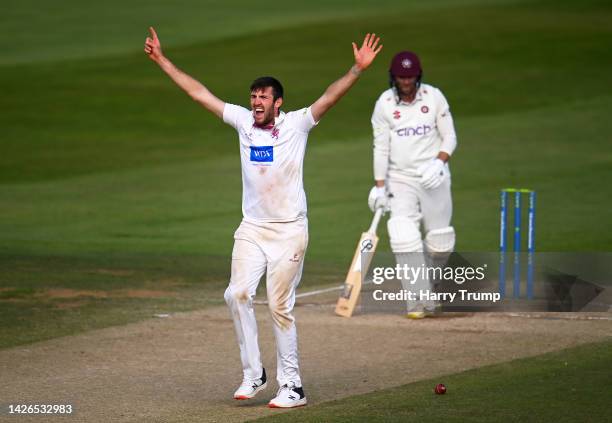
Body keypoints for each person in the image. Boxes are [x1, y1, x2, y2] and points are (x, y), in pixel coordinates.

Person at [144, 28, 382, 408]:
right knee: (236, 293)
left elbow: (329, 97)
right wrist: (161, 61)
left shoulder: (297, 125)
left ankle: (293, 386)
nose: (256, 101)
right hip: (252, 228)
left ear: (278, 103)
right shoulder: (242, 122)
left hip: (289, 231)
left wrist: (356, 70)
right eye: (253, 96)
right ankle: (254, 374)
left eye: (263, 97)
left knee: (278, 305)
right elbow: (197, 93)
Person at [367, 51, 457, 319]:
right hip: (400, 178)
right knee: (403, 235)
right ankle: (417, 299)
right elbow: (380, 148)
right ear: (393, 77)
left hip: (434, 175)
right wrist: (380, 186)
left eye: (409, 76)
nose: (405, 81)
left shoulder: (434, 96)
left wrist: (439, 163)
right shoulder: (384, 104)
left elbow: (450, 136)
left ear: (418, 76)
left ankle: (433, 287)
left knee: (441, 241)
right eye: (400, 76)